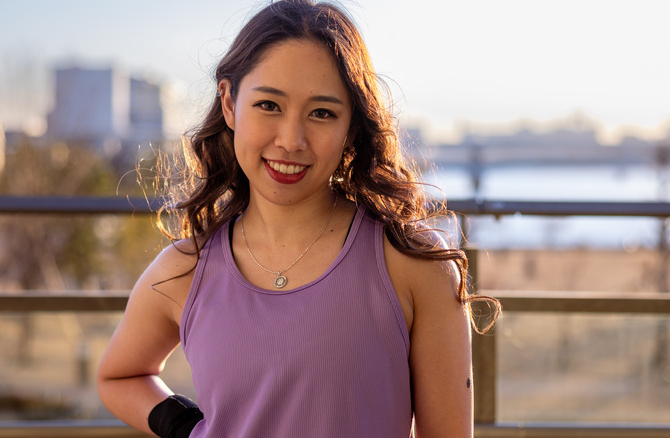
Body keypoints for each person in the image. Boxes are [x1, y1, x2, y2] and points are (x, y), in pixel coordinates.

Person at [97, 0, 500, 436]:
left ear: (352, 125)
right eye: (269, 105)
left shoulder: (417, 265)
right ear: (230, 103)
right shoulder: (183, 270)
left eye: (322, 113)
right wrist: (186, 428)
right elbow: (118, 376)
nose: (291, 140)